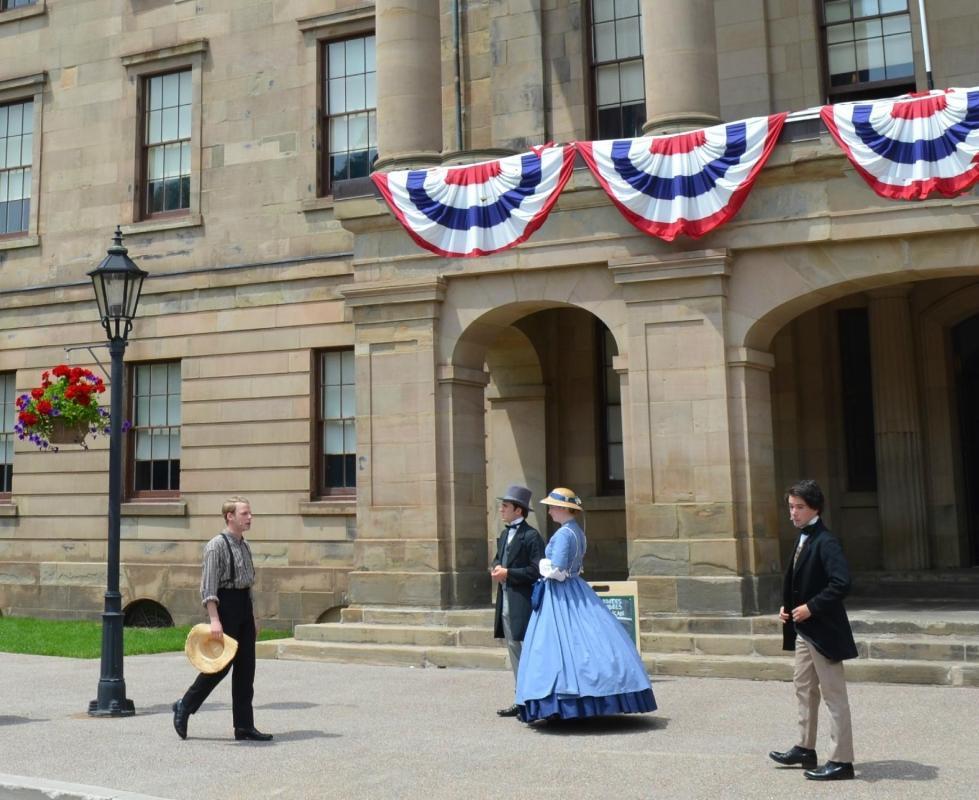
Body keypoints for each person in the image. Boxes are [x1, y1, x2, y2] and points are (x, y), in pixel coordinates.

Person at [515, 487, 656, 722]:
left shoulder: (563, 535)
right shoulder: (577, 532)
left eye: (551, 507)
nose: (549, 511)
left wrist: (542, 566)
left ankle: (562, 702)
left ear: (561, 508)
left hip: (560, 593)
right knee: (589, 641)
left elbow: (559, 571)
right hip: (577, 588)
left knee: (557, 645)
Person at [769, 479, 857, 780]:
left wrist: (811, 607)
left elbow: (841, 584)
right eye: (791, 507)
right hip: (804, 630)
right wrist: (788, 607)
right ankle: (805, 748)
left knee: (834, 695)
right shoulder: (803, 537)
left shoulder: (826, 540)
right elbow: (800, 581)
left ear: (815, 508)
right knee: (804, 689)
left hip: (825, 631)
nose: (793, 513)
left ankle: (842, 761)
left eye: (799, 508)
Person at [172, 496, 272, 742]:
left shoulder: (244, 545)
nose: (250, 518)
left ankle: (244, 726)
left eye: (249, 513)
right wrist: (215, 620)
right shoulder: (216, 546)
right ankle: (185, 705)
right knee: (219, 667)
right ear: (230, 516)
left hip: (244, 608)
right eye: (245, 514)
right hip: (225, 608)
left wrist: (254, 617)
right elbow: (208, 588)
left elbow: (248, 585)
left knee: (246, 670)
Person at [490, 484, 545, 718]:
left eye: (505, 506)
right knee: (514, 650)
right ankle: (520, 697)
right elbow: (496, 559)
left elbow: (537, 569)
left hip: (523, 602)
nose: (501, 509)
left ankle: (532, 699)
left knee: (529, 651)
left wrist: (509, 573)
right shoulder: (504, 534)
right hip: (505, 601)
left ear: (518, 510)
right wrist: (496, 568)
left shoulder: (531, 536)